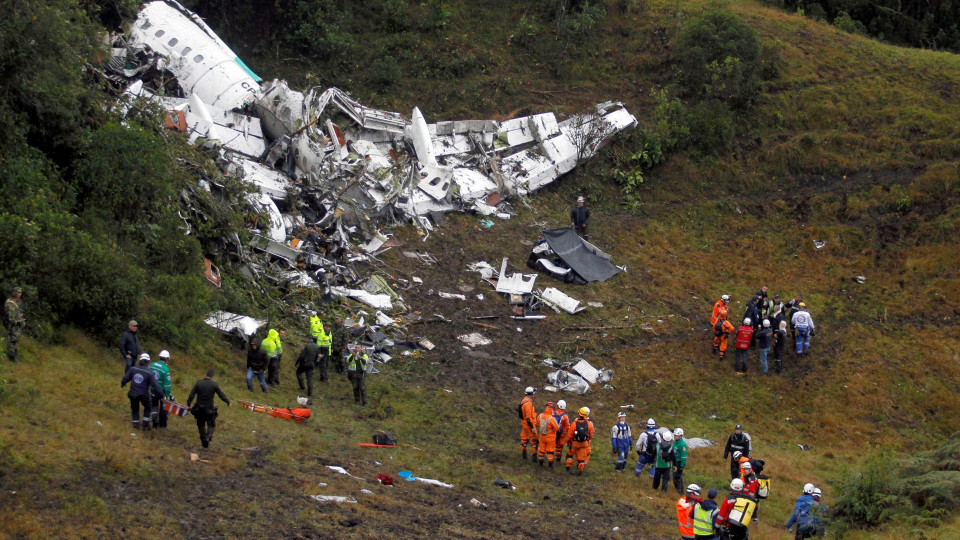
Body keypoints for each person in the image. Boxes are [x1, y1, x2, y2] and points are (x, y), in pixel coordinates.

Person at [187, 369, 231, 448]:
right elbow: (221, 395)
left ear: (206, 375)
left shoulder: (198, 383)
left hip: (199, 409)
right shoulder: (214, 385)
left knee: (201, 425)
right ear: (212, 376)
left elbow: (191, 395)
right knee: (211, 424)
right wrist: (227, 402)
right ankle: (208, 436)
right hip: (209, 410)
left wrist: (188, 404)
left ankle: (204, 439)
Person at [121, 353, 164, 431]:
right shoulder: (150, 373)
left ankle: (135, 425)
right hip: (143, 394)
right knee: (148, 407)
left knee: (135, 407)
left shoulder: (133, 369)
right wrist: (162, 395)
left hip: (132, 393)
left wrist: (123, 383)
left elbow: (125, 378)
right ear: (148, 362)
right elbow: (155, 386)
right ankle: (146, 425)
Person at [565, 407, 594, 475]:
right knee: (581, 458)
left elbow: (569, 435)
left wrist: (568, 442)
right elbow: (591, 434)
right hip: (584, 444)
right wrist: (587, 440)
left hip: (574, 443)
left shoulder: (574, 423)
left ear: (579, 414)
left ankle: (568, 468)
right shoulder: (589, 424)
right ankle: (580, 470)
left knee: (570, 455)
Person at [148, 350, 173, 429]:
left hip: (152, 389)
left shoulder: (152, 365)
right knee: (164, 407)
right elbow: (167, 384)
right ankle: (163, 425)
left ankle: (154, 419)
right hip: (162, 391)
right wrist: (168, 395)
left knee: (154, 405)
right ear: (166, 359)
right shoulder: (166, 369)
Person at [4, 287, 26, 363]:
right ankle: (12, 358)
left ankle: (15, 355)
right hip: (13, 326)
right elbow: (11, 319)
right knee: (12, 341)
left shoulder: (14, 303)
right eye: (19, 292)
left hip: (15, 326)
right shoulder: (10, 304)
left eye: (20, 292)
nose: (20, 294)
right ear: (15, 293)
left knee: (15, 341)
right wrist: (20, 321)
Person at [536, 401, 561, 467]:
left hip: (542, 436)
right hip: (550, 437)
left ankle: (540, 464)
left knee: (541, 450)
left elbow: (538, 424)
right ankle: (550, 465)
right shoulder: (551, 418)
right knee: (550, 451)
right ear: (552, 408)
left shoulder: (540, 416)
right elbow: (557, 428)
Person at [519, 387, 538, 460]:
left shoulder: (524, 401)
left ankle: (524, 457)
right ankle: (534, 459)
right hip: (529, 424)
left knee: (524, 439)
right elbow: (528, 418)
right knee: (534, 440)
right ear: (531, 394)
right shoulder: (528, 404)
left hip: (524, 423)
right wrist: (532, 427)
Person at [553, 400, 570, 465]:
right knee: (559, 447)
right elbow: (568, 426)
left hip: (552, 433)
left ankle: (550, 457)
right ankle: (558, 460)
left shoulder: (552, 413)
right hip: (561, 434)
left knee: (551, 446)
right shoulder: (565, 416)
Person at [673, 427, 689, 494]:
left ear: (680, 436)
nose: (675, 436)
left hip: (679, 462)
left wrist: (682, 465)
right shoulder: (675, 442)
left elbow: (684, 456)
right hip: (674, 461)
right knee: (674, 476)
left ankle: (680, 491)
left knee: (678, 477)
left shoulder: (682, 445)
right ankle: (677, 489)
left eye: (676, 435)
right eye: (674, 435)